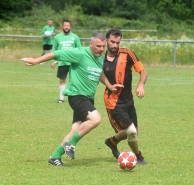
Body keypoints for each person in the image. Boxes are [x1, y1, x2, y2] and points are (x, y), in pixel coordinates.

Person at [21, 33, 123, 166]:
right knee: (96, 119)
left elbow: (100, 73)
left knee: (76, 130)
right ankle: (71, 143)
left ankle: (55, 157)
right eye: (98, 46)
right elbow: (56, 54)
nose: (101, 49)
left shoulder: (100, 58)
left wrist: (110, 86)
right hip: (77, 96)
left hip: (88, 98)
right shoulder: (79, 53)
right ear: (90, 44)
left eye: (103, 46)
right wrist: (36, 60)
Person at [102, 28, 148, 165]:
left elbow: (143, 72)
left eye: (117, 42)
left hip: (128, 100)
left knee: (134, 131)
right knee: (131, 131)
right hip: (113, 102)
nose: (115, 45)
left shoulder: (127, 54)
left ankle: (112, 141)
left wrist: (140, 85)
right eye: (112, 42)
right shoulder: (100, 59)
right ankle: (138, 156)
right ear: (106, 41)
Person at [50, 19, 82, 103]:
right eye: (65, 25)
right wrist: (52, 61)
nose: (66, 27)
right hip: (62, 62)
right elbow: (54, 50)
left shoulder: (75, 37)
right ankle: (61, 99)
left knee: (74, 81)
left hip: (73, 63)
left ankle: (76, 99)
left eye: (68, 26)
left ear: (70, 27)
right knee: (62, 80)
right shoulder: (57, 37)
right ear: (62, 26)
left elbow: (80, 50)